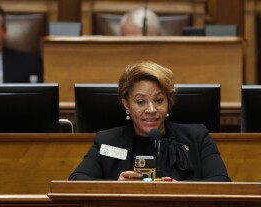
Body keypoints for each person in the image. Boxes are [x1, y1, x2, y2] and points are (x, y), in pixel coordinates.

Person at [69, 61, 231, 182]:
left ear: (169, 102)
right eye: (141, 102)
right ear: (126, 104)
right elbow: (77, 181)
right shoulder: (107, 141)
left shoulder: (197, 137)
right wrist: (116, 186)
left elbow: (222, 181)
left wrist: (180, 190)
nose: (151, 109)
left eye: (159, 100)